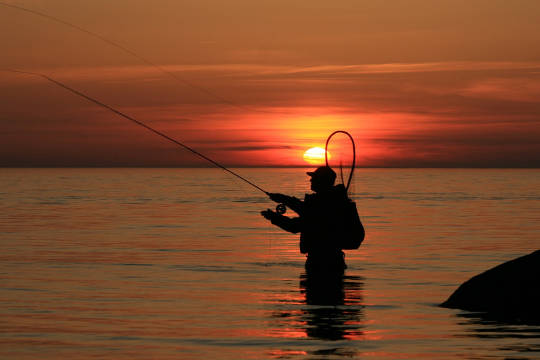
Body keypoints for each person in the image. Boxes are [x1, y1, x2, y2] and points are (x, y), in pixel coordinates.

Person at [261, 166, 364, 273]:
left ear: (322, 181)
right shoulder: (334, 201)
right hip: (335, 261)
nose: (311, 180)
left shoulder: (322, 205)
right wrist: (282, 198)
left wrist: (274, 217)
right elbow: (303, 208)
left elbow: (295, 226)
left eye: (314, 178)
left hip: (320, 263)